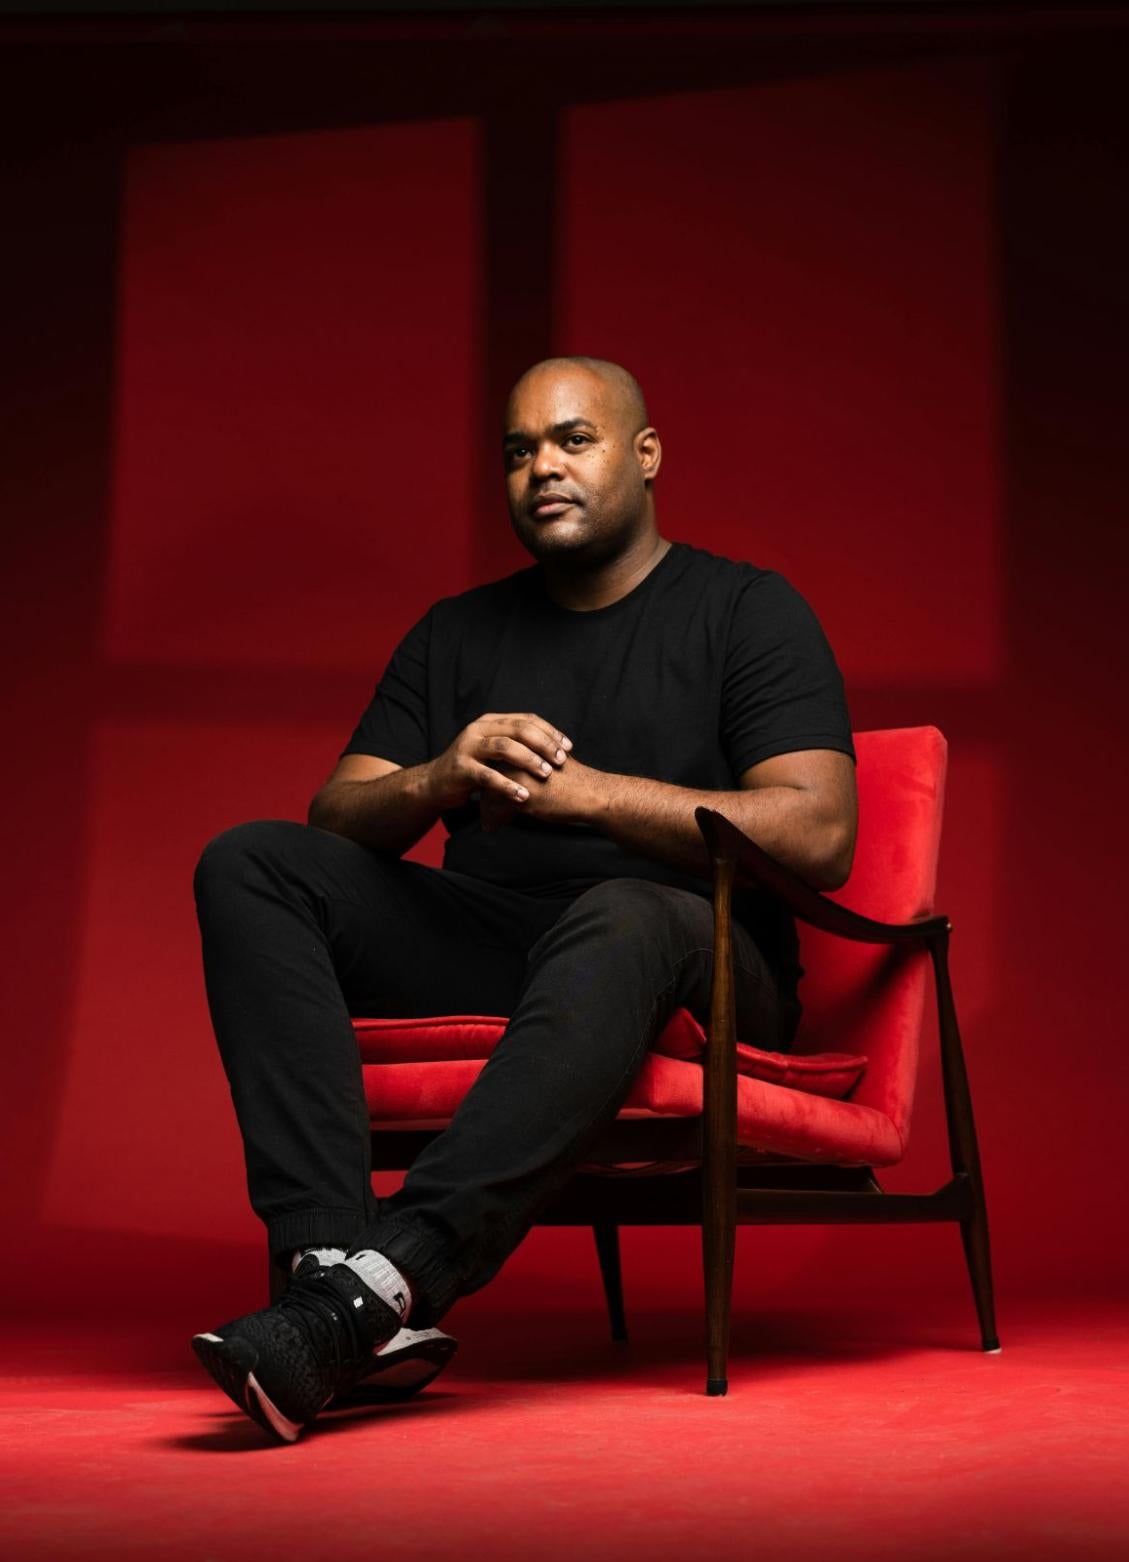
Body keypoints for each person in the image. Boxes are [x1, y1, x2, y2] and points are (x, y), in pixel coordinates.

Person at [191, 355, 857, 1443]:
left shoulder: (745, 610)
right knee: (251, 861)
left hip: (705, 954)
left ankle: (388, 1282)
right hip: (504, 940)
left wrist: (586, 793)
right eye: (517, 451)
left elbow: (819, 831)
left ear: (644, 458)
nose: (540, 467)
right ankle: (327, 1269)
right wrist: (441, 776)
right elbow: (339, 816)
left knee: (623, 911)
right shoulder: (456, 633)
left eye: (572, 440)